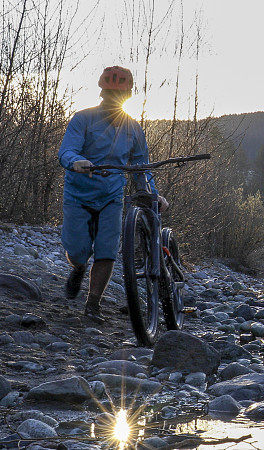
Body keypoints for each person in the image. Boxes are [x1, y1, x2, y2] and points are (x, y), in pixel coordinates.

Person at [58, 66, 168, 322]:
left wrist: (154, 195)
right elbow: (66, 151)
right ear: (102, 93)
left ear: (128, 96)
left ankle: (92, 304)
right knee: (77, 250)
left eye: (119, 95)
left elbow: (142, 168)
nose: (113, 100)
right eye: (109, 94)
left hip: (111, 196)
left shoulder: (133, 129)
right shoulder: (82, 119)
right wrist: (76, 161)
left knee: (107, 250)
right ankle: (78, 267)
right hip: (78, 194)